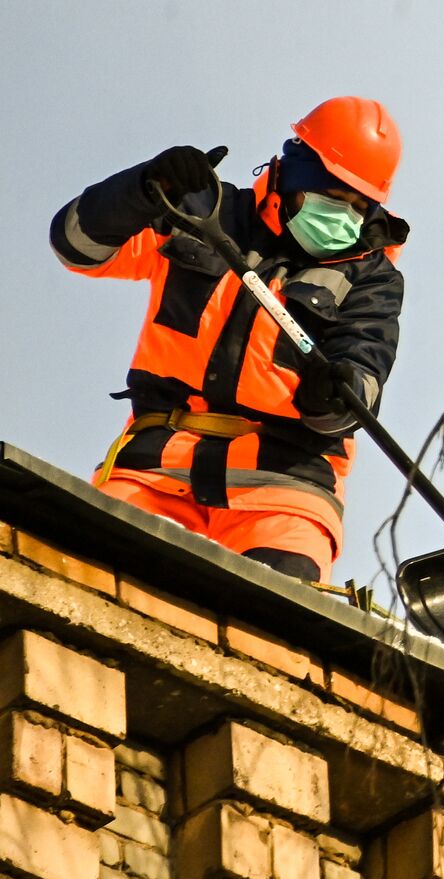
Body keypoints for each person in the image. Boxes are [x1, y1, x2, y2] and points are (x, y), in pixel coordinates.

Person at [49, 96, 409, 582]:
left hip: (286, 485)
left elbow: (365, 367)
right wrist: (143, 188)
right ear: (296, 172)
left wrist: (337, 394)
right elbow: (77, 246)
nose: (344, 214)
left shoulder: (371, 277)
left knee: (274, 627)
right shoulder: (204, 212)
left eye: (359, 205)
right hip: (155, 469)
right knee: (83, 575)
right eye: (333, 194)